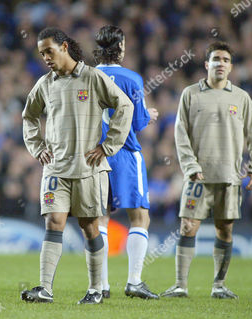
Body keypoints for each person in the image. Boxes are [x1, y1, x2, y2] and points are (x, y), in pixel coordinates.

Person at [21, 27, 134, 304]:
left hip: (89, 168)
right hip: (56, 168)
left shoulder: (92, 77)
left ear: (64, 47)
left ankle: (96, 289)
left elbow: (125, 106)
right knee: (54, 221)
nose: (45, 57)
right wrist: (37, 147)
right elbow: (29, 117)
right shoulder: (45, 84)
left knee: (89, 227)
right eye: (41, 53)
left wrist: (108, 146)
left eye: (49, 51)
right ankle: (45, 289)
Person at [161, 41, 252, 299]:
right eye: (216, 59)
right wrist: (190, 166)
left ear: (231, 67)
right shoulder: (190, 94)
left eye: (225, 60)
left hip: (229, 177)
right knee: (188, 226)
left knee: (225, 229)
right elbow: (180, 133)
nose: (221, 63)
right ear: (207, 64)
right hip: (198, 175)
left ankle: (219, 285)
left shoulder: (241, 98)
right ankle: (180, 285)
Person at [93, 25, 159, 300]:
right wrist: (150, 114)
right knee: (139, 215)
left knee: (100, 219)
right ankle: (133, 281)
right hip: (125, 153)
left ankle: (102, 285)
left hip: (95, 154)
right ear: (119, 47)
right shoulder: (131, 78)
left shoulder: (87, 76)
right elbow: (139, 122)